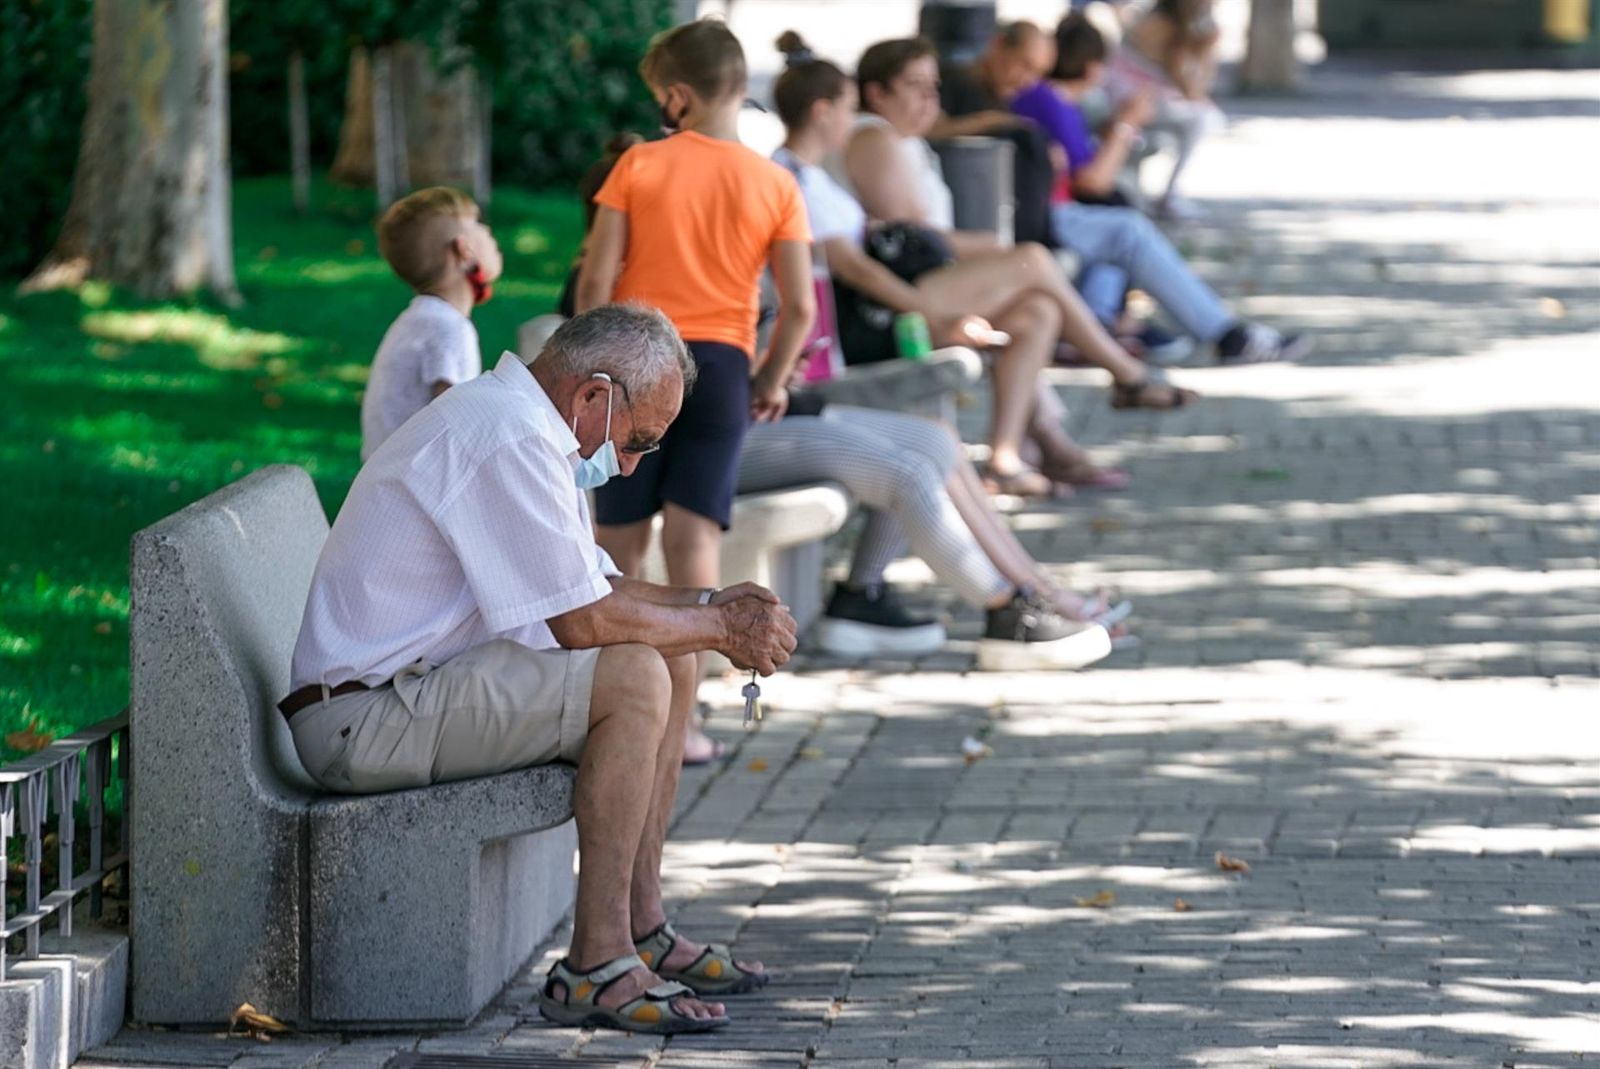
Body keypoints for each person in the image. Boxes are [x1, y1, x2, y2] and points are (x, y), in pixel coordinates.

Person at [282, 305, 797, 1035]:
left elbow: (598, 587)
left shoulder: (522, 425)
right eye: (637, 441)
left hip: (406, 694)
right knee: (636, 677)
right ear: (592, 395)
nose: (630, 465)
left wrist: (713, 608)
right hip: (360, 719)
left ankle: (640, 926)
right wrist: (718, 627)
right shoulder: (506, 437)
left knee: (671, 659)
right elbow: (580, 622)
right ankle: (597, 965)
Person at [575, 21, 816, 761]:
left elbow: (595, 278)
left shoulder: (640, 164)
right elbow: (800, 309)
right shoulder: (776, 183)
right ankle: (684, 729)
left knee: (618, 548)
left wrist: (590, 371)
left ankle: (613, 714)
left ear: (676, 97)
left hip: (636, 363)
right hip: (721, 368)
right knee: (694, 549)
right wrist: (769, 379)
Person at [832, 34, 1196, 496]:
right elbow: (911, 240)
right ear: (877, 92)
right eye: (914, 86)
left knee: (1038, 312)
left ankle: (1005, 458)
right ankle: (1127, 375)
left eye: (934, 86)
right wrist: (987, 245)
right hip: (884, 304)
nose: (929, 99)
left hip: (918, 289)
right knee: (1031, 260)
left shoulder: (902, 139)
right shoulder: (874, 137)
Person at [1013, 13, 1310, 365]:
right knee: (1127, 230)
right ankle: (1225, 335)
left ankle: (1098, 324)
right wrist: (1126, 124)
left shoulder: (1052, 101)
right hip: (1045, 213)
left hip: (1047, 208)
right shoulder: (1049, 100)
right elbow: (1092, 181)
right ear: (1093, 68)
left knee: (1119, 220)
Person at [361, 186, 502, 460]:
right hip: (415, 482)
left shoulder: (418, 320)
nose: (488, 231)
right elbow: (457, 426)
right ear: (463, 250)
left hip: (387, 476)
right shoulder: (449, 329)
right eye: (478, 224)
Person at [929, 21, 1062, 248]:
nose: (1027, 80)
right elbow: (931, 131)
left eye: (1037, 74)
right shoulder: (954, 80)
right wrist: (992, 122)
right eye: (1024, 64)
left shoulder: (998, 98)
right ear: (999, 45)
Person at [1107, 0, 1226, 218]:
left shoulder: (1188, 24)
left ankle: (1171, 193)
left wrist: (1206, 52)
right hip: (1128, 100)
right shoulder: (1160, 25)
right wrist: (1202, 50)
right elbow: (1189, 87)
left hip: (1142, 98)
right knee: (1205, 118)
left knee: (1206, 116)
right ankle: (1172, 194)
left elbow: (1197, 89)